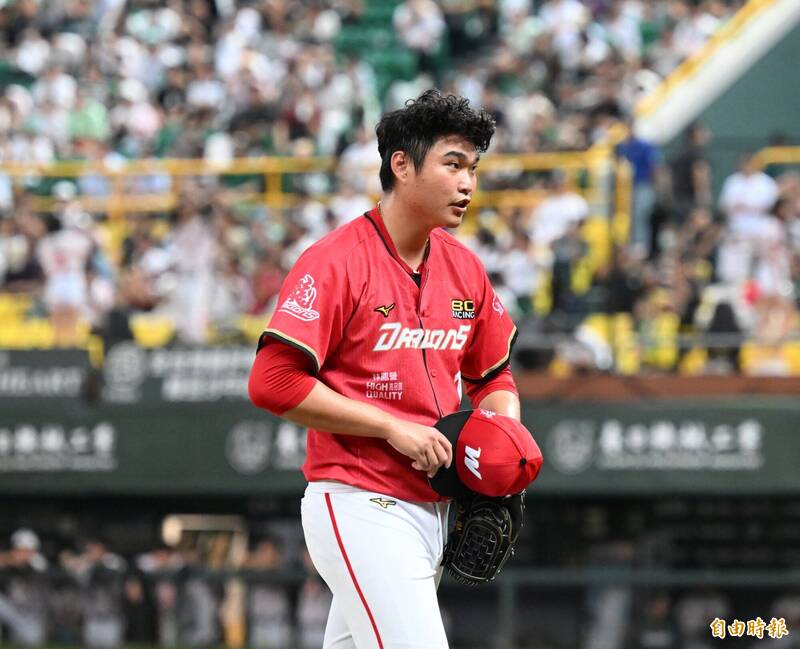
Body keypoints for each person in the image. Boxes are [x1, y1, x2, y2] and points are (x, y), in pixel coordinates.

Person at [249, 89, 521, 649]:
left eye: (472, 167)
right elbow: (272, 381)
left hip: (431, 510)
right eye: (452, 164)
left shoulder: (465, 270)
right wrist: (389, 425)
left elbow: (492, 376)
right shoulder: (335, 260)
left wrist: (500, 439)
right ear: (401, 164)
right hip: (358, 501)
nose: (468, 182)